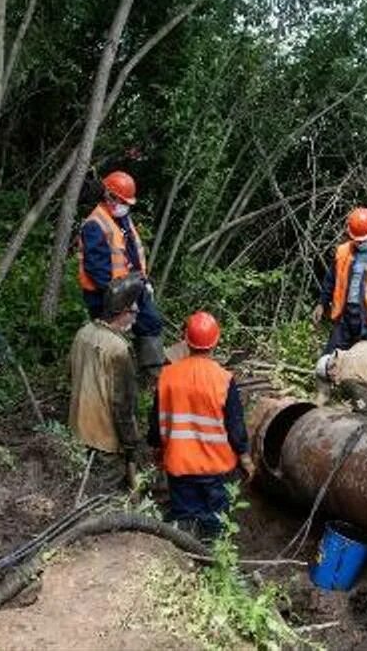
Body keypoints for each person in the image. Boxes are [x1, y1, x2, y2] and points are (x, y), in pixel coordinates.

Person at [147, 311, 255, 541]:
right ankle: (212, 561)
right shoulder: (224, 379)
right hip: (215, 470)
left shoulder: (167, 376)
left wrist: (157, 449)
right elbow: (235, 427)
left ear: (186, 340)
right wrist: (245, 458)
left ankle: (185, 562)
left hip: (179, 465)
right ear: (215, 342)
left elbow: (156, 422)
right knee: (215, 522)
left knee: (184, 520)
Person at [76, 169, 165, 381]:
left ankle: (151, 376)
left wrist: (142, 283)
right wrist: (121, 299)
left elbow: (132, 253)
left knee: (151, 323)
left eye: (127, 202)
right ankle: (109, 380)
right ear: (109, 196)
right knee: (109, 342)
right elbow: (97, 270)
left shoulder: (122, 218)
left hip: (132, 287)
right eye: (122, 200)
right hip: (106, 295)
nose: (125, 205)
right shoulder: (95, 225)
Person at [68, 277, 145, 487]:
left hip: (76, 434)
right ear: (123, 312)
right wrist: (130, 444)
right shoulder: (118, 349)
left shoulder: (83, 334)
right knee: (105, 498)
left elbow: (71, 376)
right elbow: (123, 405)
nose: (137, 316)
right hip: (104, 442)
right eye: (134, 311)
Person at [312, 207, 367, 354]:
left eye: (363, 240)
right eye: (356, 240)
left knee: (363, 362)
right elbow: (330, 280)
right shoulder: (342, 252)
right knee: (330, 358)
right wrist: (322, 303)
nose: (360, 243)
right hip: (344, 315)